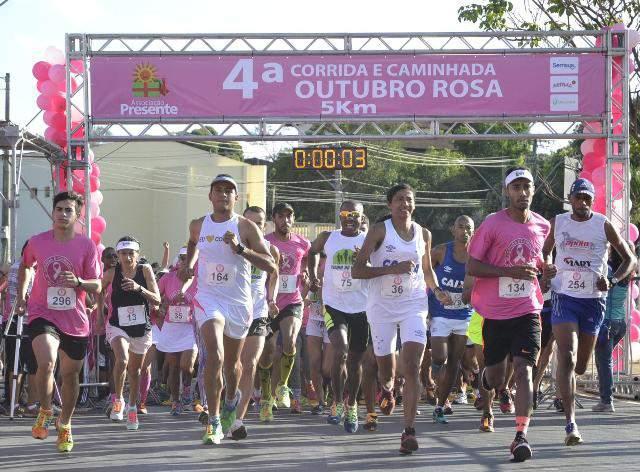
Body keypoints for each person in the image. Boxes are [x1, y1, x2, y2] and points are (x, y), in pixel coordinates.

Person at [352, 183, 450, 454]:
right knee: (387, 370)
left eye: (408, 200)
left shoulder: (424, 234)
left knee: (412, 365)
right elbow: (358, 270)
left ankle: (408, 431)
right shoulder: (379, 231)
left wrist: (438, 291)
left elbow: (427, 270)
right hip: (381, 306)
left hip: (413, 304)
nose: (404, 204)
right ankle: (386, 387)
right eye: (398, 200)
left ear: (414, 205)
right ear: (389, 205)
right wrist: (393, 269)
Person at [179, 174, 275, 445]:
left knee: (234, 365)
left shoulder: (246, 227)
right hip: (208, 298)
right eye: (218, 190)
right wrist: (189, 264)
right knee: (215, 355)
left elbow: (270, 265)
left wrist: (241, 249)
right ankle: (214, 419)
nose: (223, 195)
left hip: (239, 303)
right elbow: (192, 242)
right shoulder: (198, 224)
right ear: (210, 196)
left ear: (236, 198)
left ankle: (232, 398)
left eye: (229, 191)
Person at [467, 167, 553, 462]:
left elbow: (537, 256)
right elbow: (473, 266)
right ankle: (487, 384)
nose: (522, 192)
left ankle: (520, 436)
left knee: (524, 369)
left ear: (532, 190)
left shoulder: (542, 225)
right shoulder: (492, 224)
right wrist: (508, 272)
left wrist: (546, 267)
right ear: (507, 192)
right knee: (496, 375)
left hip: (527, 309)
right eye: (516, 187)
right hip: (495, 313)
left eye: (527, 186)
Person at [542, 178, 636, 445]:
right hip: (564, 296)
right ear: (570, 199)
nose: (582, 203)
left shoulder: (603, 224)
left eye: (587, 199)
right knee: (568, 356)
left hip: (593, 301)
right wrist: (547, 266)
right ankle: (571, 423)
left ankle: (568, 378)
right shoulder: (558, 222)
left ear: (592, 202)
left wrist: (614, 280)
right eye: (578, 198)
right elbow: (546, 251)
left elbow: (630, 259)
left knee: (581, 366)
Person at [18, 191, 102, 453]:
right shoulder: (37, 242)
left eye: (69, 210)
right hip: (43, 311)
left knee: (70, 375)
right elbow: (25, 266)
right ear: (53, 213)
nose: (63, 214)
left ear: (77, 216)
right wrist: (22, 296)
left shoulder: (86, 245)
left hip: (74, 318)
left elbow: (97, 284)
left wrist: (78, 283)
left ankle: (64, 424)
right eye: (59, 209)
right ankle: (45, 408)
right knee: (47, 362)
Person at [308, 200, 368, 432]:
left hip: (362, 307)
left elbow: (376, 266)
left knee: (354, 360)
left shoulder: (367, 241)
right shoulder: (327, 237)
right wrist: (314, 275)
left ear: (362, 218)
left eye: (355, 214)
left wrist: (364, 261)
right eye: (345, 213)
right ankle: (335, 402)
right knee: (340, 351)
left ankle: (351, 403)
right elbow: (312, 252)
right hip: (334, 304)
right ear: (339, 216)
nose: (350, 217)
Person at [99, 236, 161, 431]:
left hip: (141, 327)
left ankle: (133, 407)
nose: (127, 258)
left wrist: (139, 288)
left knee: (135, 371)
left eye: (131, 253)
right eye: (123, 253)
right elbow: (98, 289)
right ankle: (118, 400)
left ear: (138, 254)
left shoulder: (145, 270)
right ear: (117, 255)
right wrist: (100, 309)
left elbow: (157, 299)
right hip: (118, 324)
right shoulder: (111, 273)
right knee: (122, 360)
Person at [230, 206, 279, 439]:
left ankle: (237, 420)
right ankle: (223, 408)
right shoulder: (229, 247)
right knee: (230, 366)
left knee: (249, 364)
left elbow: (274, 275)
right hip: (231, 312)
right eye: (250, 222)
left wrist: (272, 298)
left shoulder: (270, 250)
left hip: (257, 313)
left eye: (259, 223)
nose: (255, 227)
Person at [260, 203, 310, 414]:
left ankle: (283, 386)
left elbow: (307, 259)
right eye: (281, 217)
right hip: (267, 302)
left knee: (290, 340)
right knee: (269, 351)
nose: (286, 221)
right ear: (274, 219)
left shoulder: (303, 243)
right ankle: (266, 397)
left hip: (292, 300)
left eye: (289, 217)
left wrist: (307, 274)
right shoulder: (264, 242)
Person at [429, 215, 474, 425]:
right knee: (440, 357)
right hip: (440, 313)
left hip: (463, 315)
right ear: (452, 230)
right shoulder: (441, 250)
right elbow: (424, 270)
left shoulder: (476, 255)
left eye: (468, 228)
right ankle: (434, 374)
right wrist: (436, 291)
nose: (464, 231)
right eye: (460, 227)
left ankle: (441, 404)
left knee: (455, 363)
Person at [593, 242, 636, 412]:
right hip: (620, 322)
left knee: (604, 362)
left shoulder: (609, 271)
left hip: (606, 322)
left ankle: (606, 400)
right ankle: (605, 397)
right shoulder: (627, 273)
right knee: (604, 360)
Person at [156, 247, 198, 416]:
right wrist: (161, 306)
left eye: (187, 258)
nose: (184, 261)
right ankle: (175, 401)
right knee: (173, 366)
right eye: (181, 258)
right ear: (177, 261)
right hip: (171, 327)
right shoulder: (167, 278)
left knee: (186, 366)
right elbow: (155, 296)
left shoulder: (198, 279)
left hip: (190, 327)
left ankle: (187, 392)